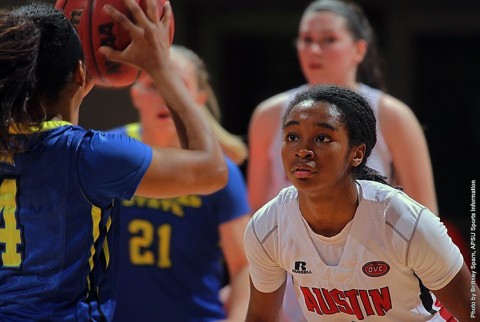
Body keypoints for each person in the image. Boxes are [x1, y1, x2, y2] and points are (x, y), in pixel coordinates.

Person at [0, 1, 228, 321]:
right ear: (80, 75)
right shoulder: (89, 157)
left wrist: (77, 76)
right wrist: (160, 64)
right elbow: (213, 171)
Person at [246, 0, 440, 319]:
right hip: (299, 290)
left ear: (359, 50)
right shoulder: (269, 115)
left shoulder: (392, 115)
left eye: (329, 40)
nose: (314, 50)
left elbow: (427, 217)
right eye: (306, 40)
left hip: (378, 289)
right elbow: (255, 216)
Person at [244, 84, 479, 321]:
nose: (302, 150)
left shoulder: (404, 221)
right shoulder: (268, 226)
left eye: (322, 138)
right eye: (292, 137)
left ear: (356, 154)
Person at [111, 45, 251, 322]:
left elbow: (244, 266)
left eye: (177, 85)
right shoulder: (108, 152)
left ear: (197, 99)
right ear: (135, 94)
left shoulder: (218, 170)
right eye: (153, 84)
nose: (164, 95)